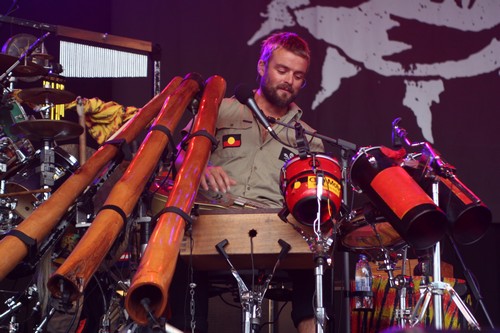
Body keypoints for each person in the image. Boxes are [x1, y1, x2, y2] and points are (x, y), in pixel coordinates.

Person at [169, 31, 331, 333]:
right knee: (180, 252)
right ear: (262, 67)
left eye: (298, 76)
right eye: (281, 70)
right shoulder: (219, 110)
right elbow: (179, 157)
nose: (288, 81)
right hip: (211, 220)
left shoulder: (307, 137)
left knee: (317, 255)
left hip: (276, 229)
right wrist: (197, 167)